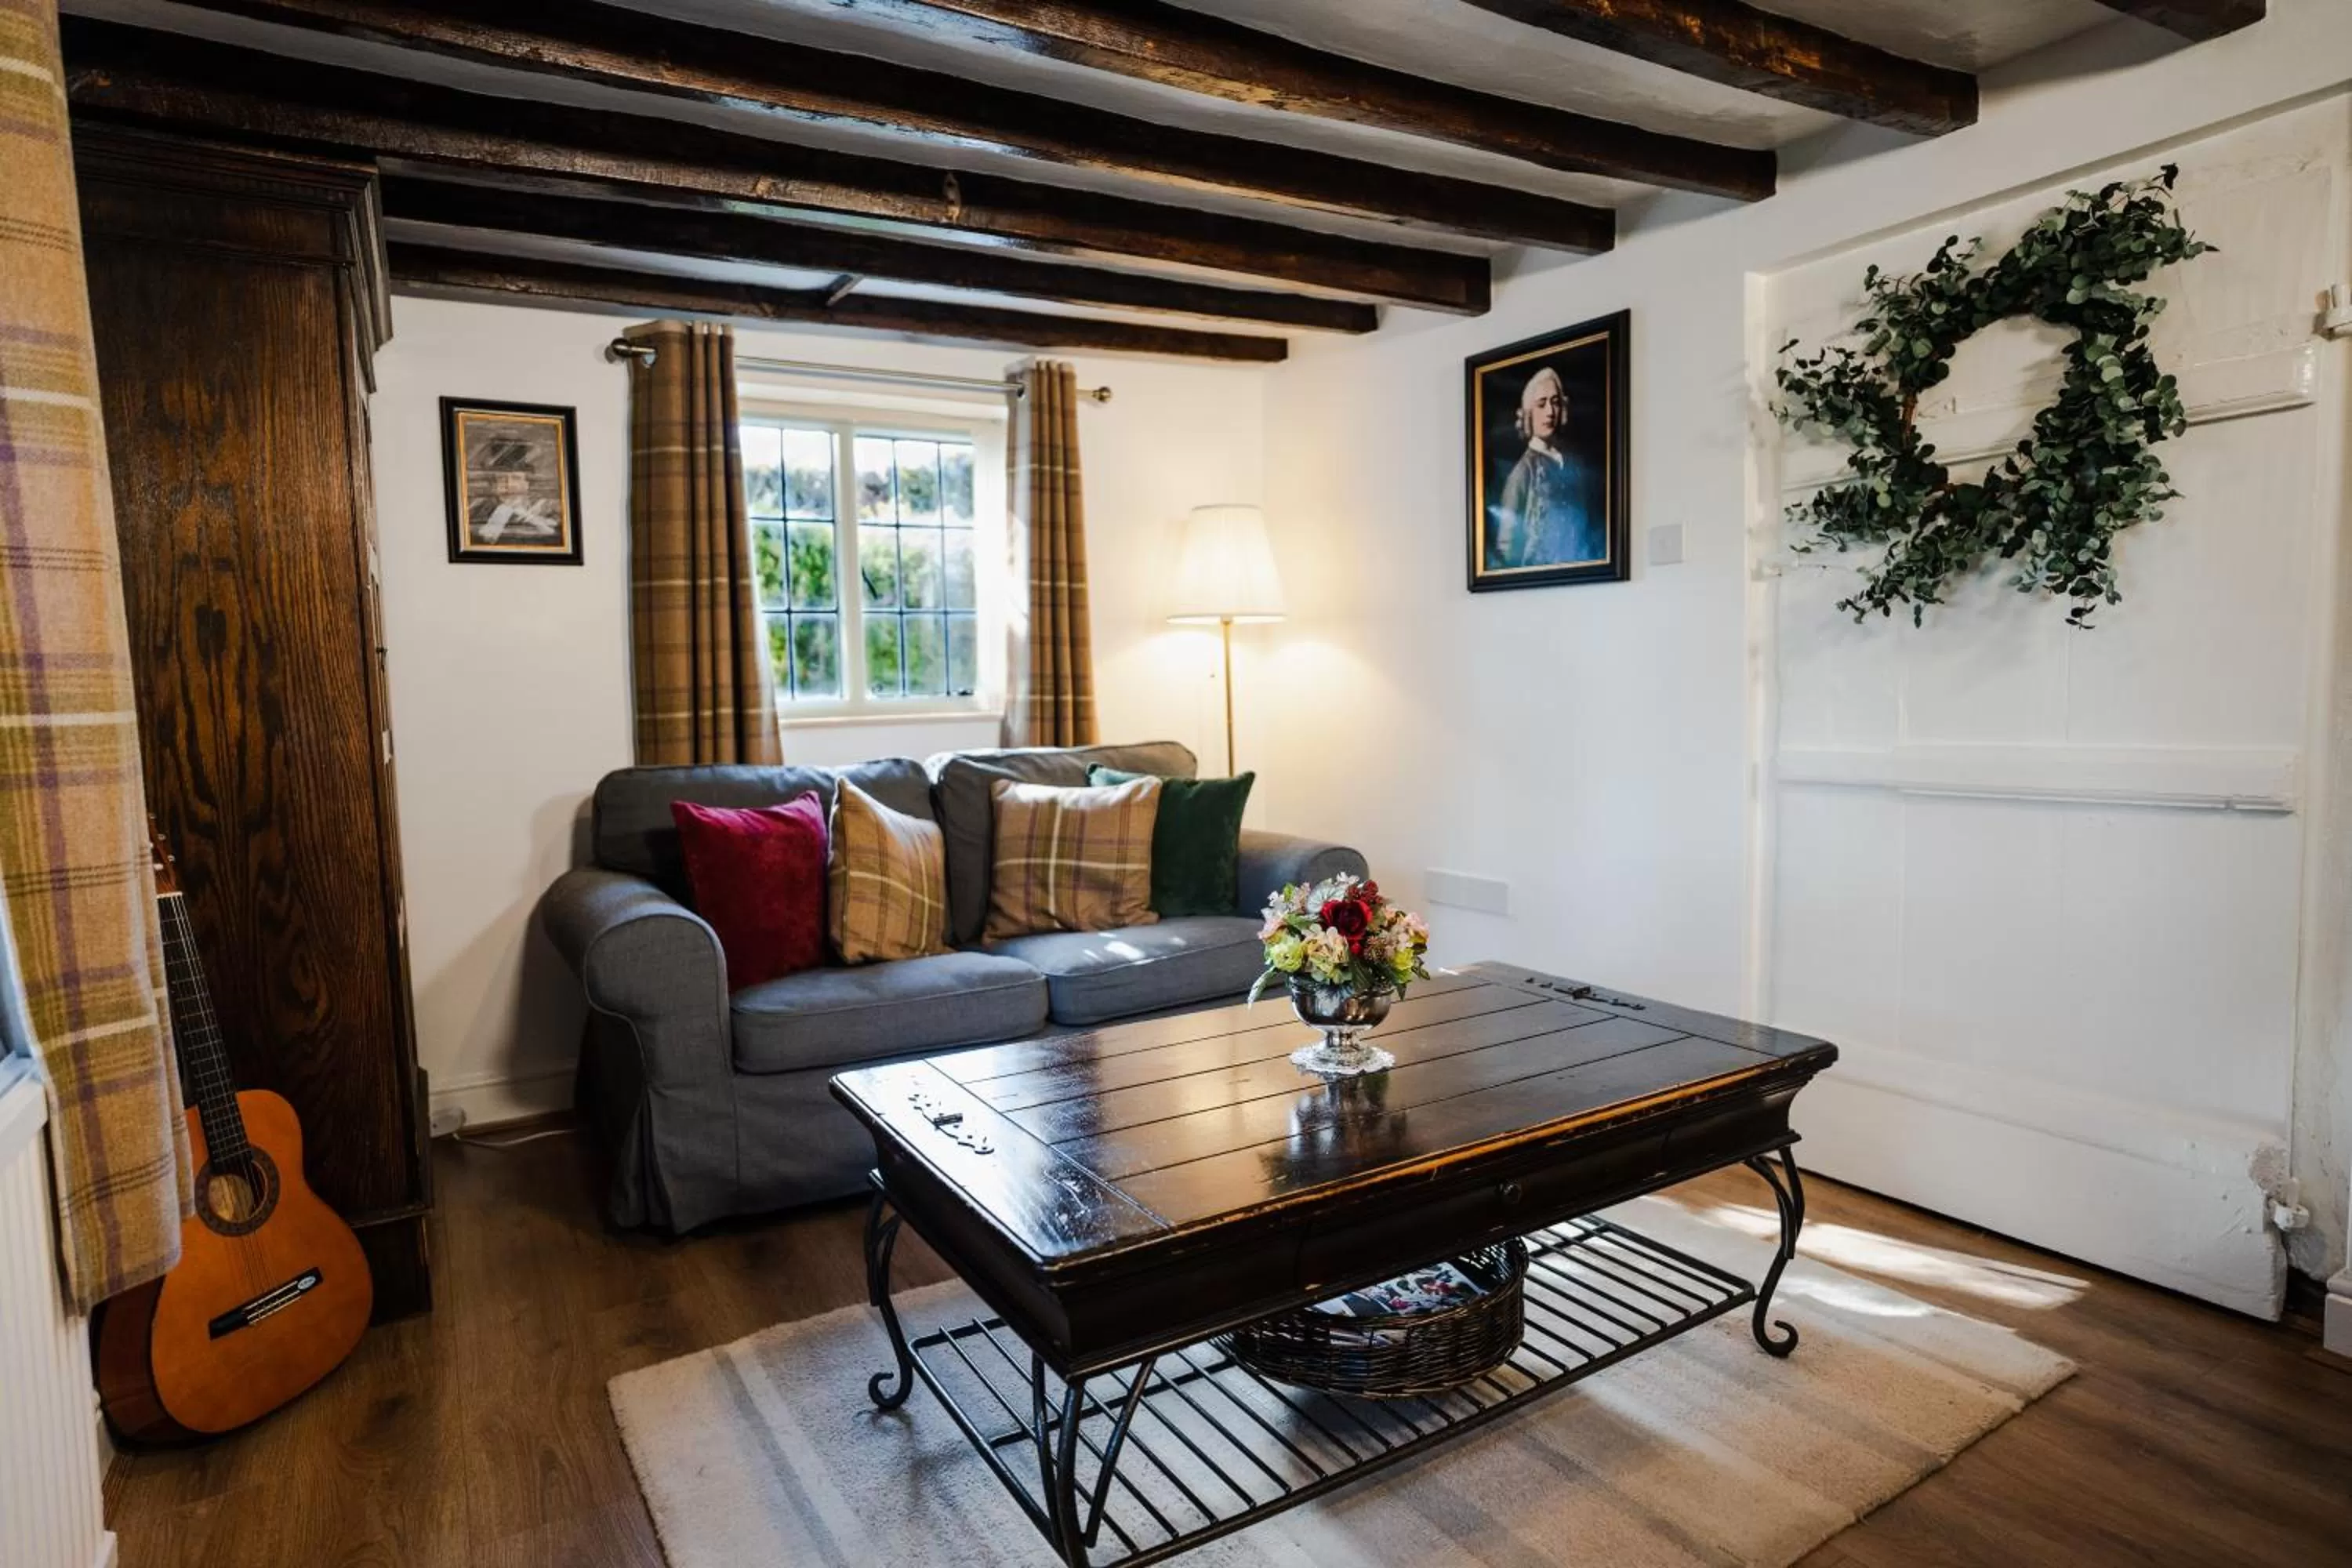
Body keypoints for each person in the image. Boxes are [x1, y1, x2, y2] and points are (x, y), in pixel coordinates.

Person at [1487, 365, 1603, 572]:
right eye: (1542, 404)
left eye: (1555, 403)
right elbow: (1507, 549)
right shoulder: (1522, 473)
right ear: (1529, 413)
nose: (1550, 412)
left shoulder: (1574, 463)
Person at [468, 437, 561, 545]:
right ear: (493, 485)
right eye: (501, 479)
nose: (509, 485)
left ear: (528, 483)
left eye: (516, 478)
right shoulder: (477, 516)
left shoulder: (548, 513)